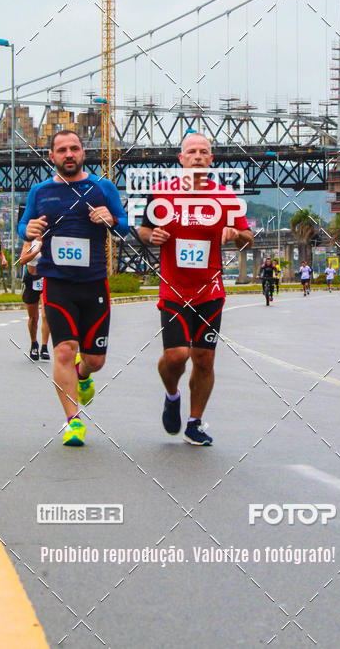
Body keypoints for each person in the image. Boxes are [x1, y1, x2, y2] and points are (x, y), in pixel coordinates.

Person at [138, 133, 253, 446]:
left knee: (204, 360)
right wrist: (152, 236)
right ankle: (172, 395)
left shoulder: (225, 197)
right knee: (176, 356)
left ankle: (194, 422)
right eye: (192, 152)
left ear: (211, 159)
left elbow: (248, 239)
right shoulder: (162, 193)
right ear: (181, 159)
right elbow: (144, 230)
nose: (198, 156)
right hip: (174, 291)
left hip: (209, 292)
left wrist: (235, 234)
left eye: (204, 152)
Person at [17, 130, 128, 447]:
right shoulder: (40, 191)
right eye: (62, 149)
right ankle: (73, 422)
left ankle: (83, 374)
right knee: (64, 349)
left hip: (94, 284)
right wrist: (29, 229)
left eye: (74, 148)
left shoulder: (103, 187)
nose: (69, 154)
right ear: (52, 156)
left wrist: (111, 219)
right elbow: (24, 225)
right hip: (57, 283)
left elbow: (124, 226)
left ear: (83, 153)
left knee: (95, 360)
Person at [18, 239, 50, 361]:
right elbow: (22, 260)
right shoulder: (30, 242)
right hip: (32, 279)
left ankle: (44, 347)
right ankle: (34, 343)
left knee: (46, 315)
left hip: (46, 279)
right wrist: (37, 251)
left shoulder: (50, 237)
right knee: (33, 318)